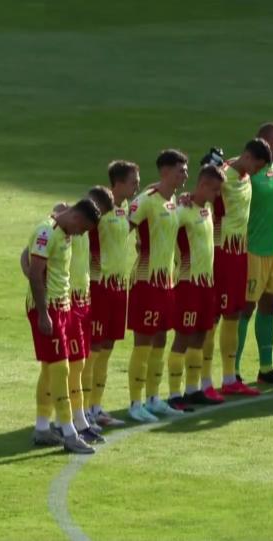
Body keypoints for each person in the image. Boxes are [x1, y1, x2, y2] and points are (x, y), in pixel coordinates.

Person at [20, 187, 115, 443]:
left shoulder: (64, 233)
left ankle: (44, 428)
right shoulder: (46, 231)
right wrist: (42, 313)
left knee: (58, 367)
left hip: (64, 305)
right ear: (76, 218)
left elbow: (32, 261)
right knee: (59, 367)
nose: (82, 234)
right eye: (83, 229)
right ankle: (68, 430)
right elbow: (33, 267)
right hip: (48, 307)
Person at [205, 139, 273, 400]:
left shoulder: (243, 174)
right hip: (221, 252)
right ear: (247, 156)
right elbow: (203, 190)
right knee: (213, 318)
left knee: (234, 313)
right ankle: (203, 381)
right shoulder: (222, 177)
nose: (256, 171)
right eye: (256, 165)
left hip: (239, 254)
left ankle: (230, 377)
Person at [124, 150, 189, 422]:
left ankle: (153, 398)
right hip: (145, 281)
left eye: (185, 170)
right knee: (143, 342)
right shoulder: (145, 201)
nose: (185, 174)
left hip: (167, 283)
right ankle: (135, 403)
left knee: (161, 339)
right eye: (180, 170)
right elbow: (122, 228)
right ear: (165, 171)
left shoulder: (173, 201)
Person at [235, 123, 273, 386]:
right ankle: (233, 370)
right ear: (261, 142)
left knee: (270, 305)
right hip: (252, 251)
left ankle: (266, 368)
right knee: (245, 309)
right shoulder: (249, 171)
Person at [166, 165, 225, 411]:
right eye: (214, 189)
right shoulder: (182, 211)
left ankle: (192, 389)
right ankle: (173, 393)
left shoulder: (206, 209)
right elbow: (161, 232)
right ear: (201, 186)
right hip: (188, 283)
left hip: (206, 284)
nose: (216, 195)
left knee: (201, 335)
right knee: (183, 336)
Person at [85, 160, 140, 427]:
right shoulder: (97, 210)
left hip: (119, 287)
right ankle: (82, 410)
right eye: (133, 181)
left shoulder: (125, 208)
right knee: (94, 348)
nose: (136, 185)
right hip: (99, 285)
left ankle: (96, 407)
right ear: (117, 183)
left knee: (107, 347)